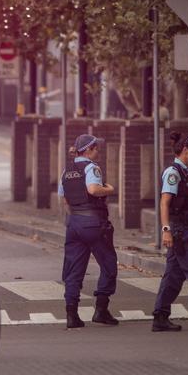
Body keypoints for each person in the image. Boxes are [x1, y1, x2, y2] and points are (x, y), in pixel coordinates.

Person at [152, 132, 188, 332]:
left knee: (173, 277)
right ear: (185, 150)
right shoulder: (173, 172)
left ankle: (160, 317)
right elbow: (165, 202)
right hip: (178, 230)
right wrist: (166, 230)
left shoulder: (186, 171)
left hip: (184, 228)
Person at [59, 134, 118, 328]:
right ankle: (101, 310)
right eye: (96, 148)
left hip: (73, 223)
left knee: (74, 269)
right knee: (109, 264)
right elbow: (93, 190)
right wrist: (109, 189)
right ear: (89, 150)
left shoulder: (66, 171)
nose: (97, 152)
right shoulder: (91, 168)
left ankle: (71, 315)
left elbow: (65, 199)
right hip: (93, 223)